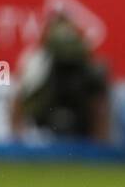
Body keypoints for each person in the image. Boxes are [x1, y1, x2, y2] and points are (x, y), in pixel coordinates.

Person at [11, 8, 111, 142]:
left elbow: (98, 101)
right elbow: (20, 99)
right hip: (43, 123)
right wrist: (17, 140)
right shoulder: (36, 60)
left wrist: (99, 145)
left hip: (81, 125)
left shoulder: (87, 63)